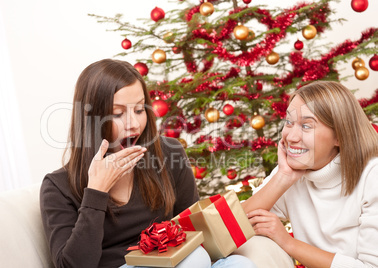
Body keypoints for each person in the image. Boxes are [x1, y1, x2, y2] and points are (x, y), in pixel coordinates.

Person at [40, 59, 255, 268]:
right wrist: (96, 190)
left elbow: (192, 230)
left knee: (239, 264)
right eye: (117, 113)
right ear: (92, 120)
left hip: (172, 259)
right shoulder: (58, 187)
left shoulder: (169, 154)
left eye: (140, 110)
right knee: (194, 259)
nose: (133, 124)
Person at [235, 81, 378, 267]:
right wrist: (282, 178)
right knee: (252, 244)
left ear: (339, 136)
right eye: (289, 122)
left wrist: (288, 242)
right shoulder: (292, 172)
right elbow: (230, 229)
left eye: (306, 126)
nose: (291, 137)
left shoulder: (372, 175)